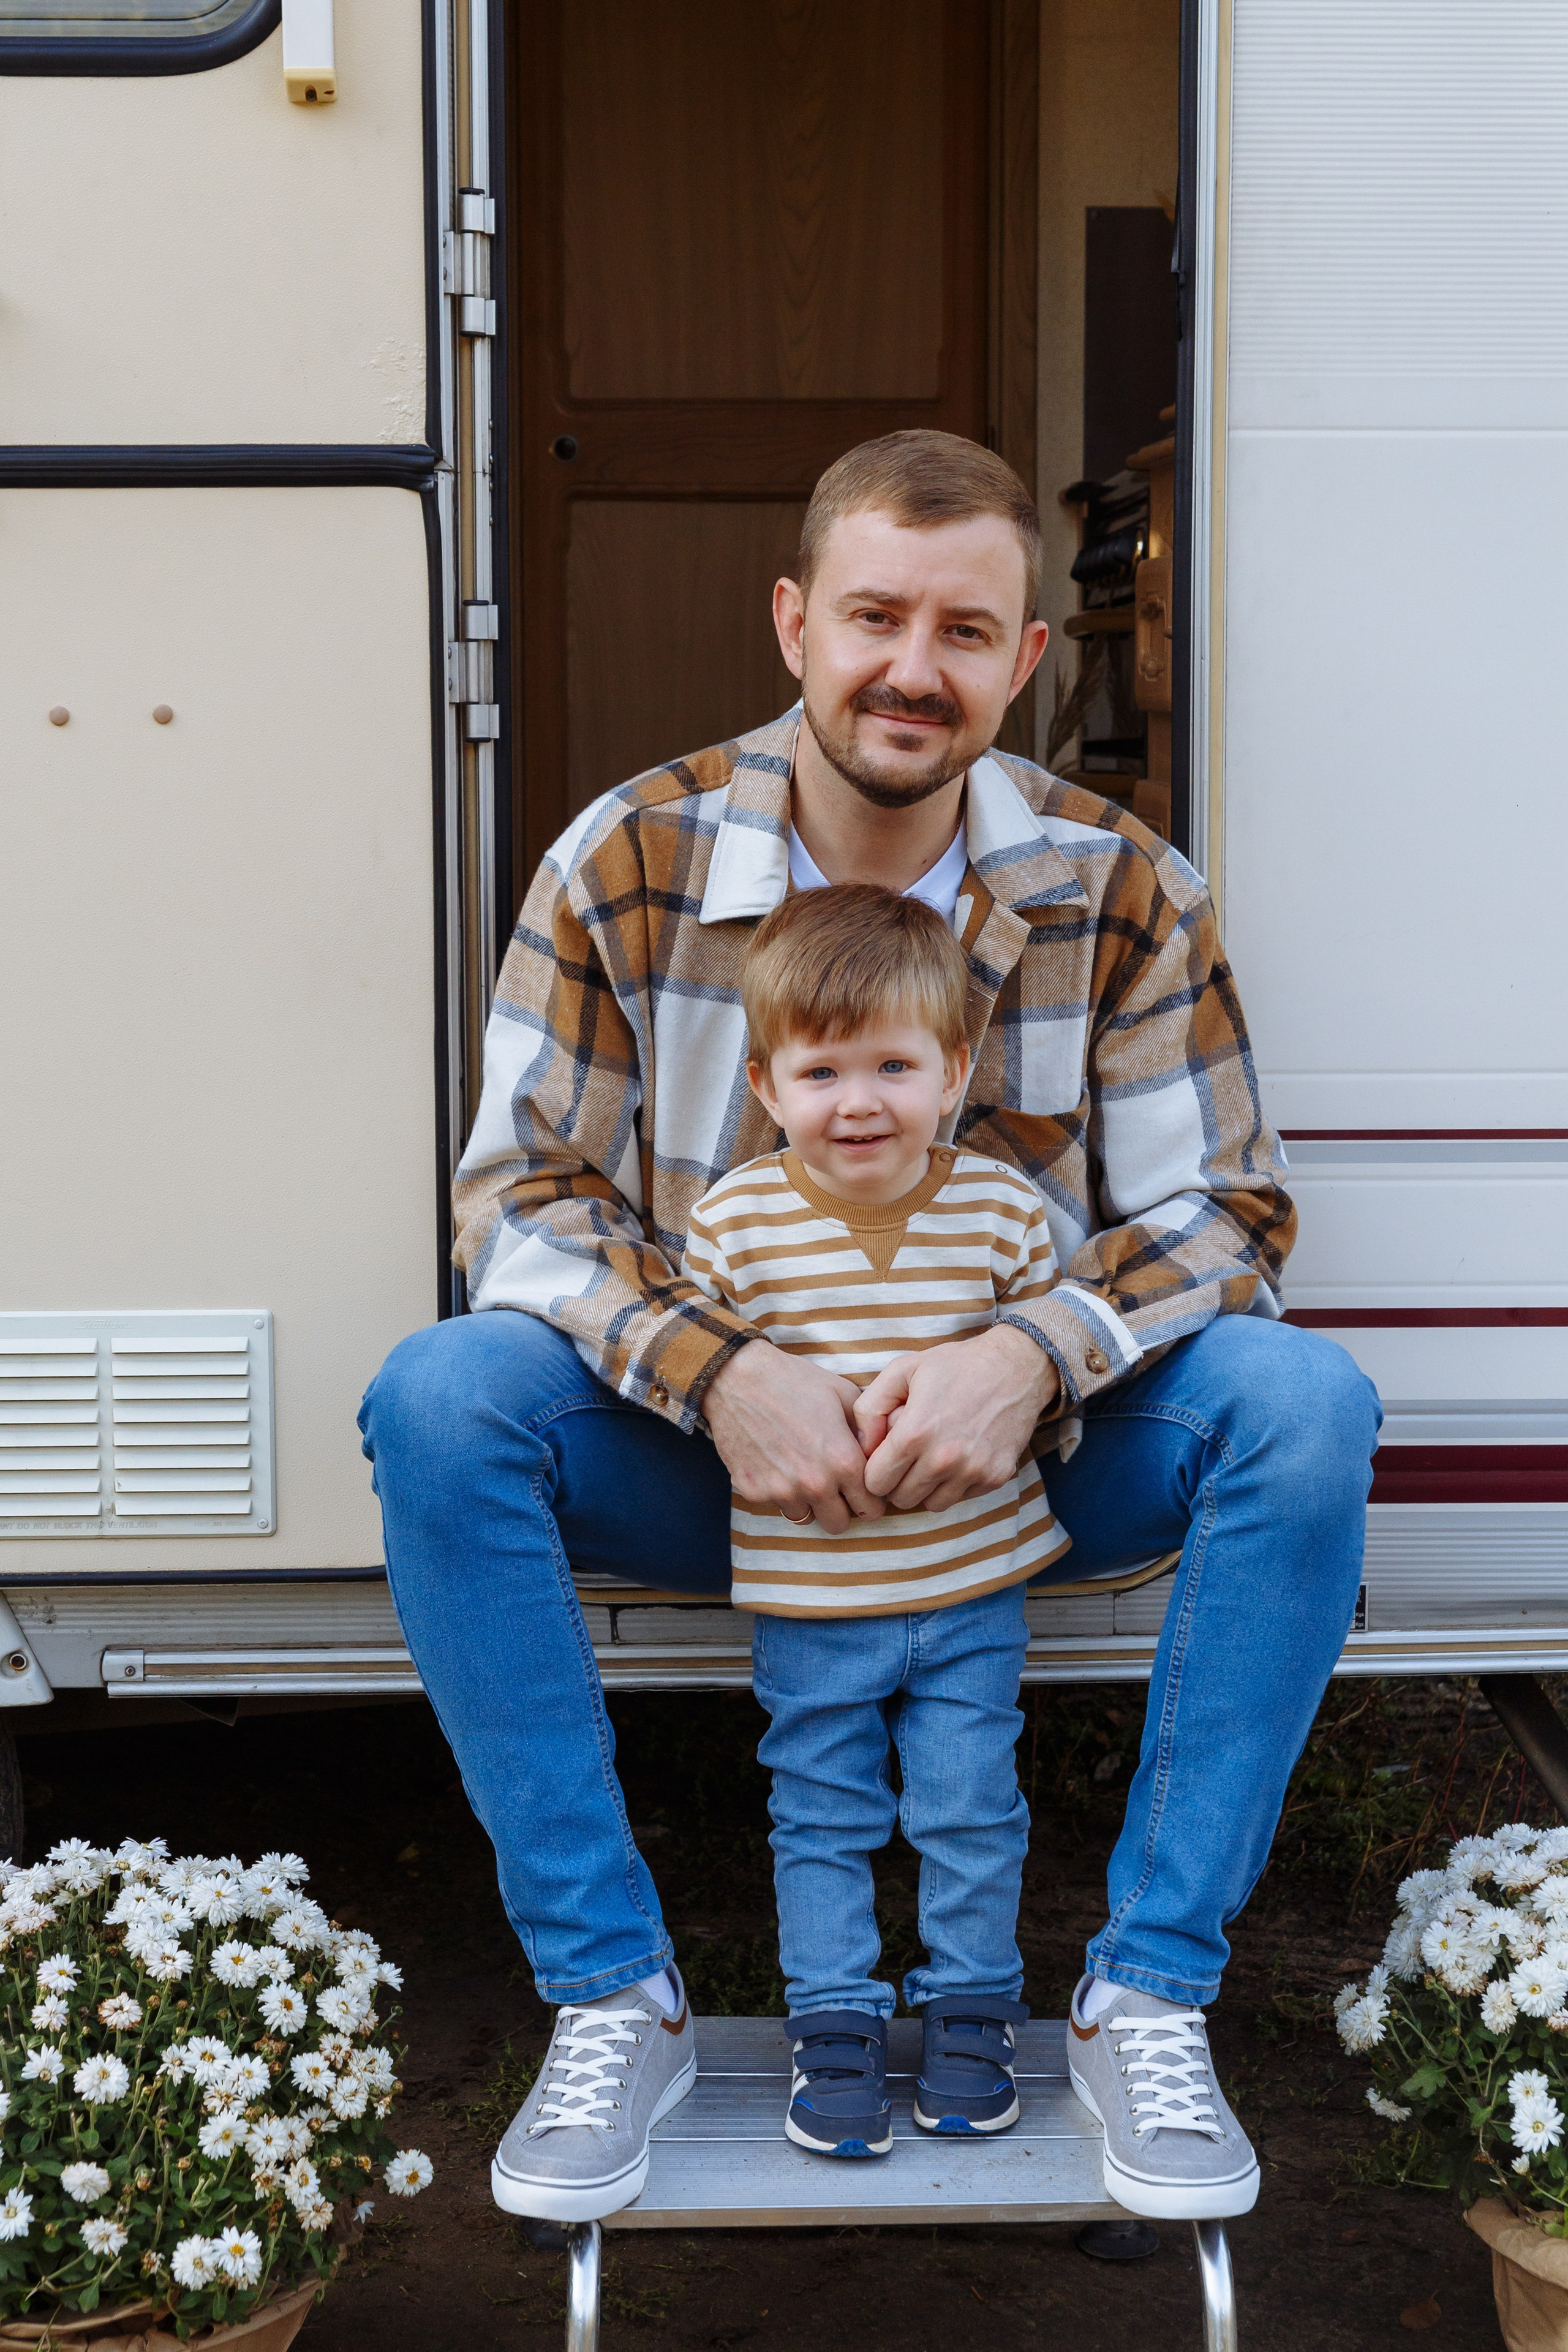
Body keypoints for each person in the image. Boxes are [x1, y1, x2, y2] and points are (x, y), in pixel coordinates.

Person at [358, 428, 1382, 2227]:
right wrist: (726, 1378)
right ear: (794, 622)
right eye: (875, 617)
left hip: (1029, 1470)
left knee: (1302, 1403)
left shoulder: (1118, 883)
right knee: (443, 1400)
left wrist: (1027, 1355)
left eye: (966, 631)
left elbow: (1227, 1209)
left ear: (1025, 660)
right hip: (720, 1468)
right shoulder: (631, 859)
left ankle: (1147, 1993)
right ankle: (617, 1994)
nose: (915, 668)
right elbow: (515, 1201)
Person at [682, 884, 1068, 2157]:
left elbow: (1050, 1380)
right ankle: (833, 2023)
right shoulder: (733, 1227)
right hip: (813, 1595)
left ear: (953, 1070)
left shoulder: (1001, 1213)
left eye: (894, 1065)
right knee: (821, 1814)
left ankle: (969, 2011)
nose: (858, 1101)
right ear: (764, 1083)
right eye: (821, 1069)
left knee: (970, 1806)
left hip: (970, 1588)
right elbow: (706, 1391)